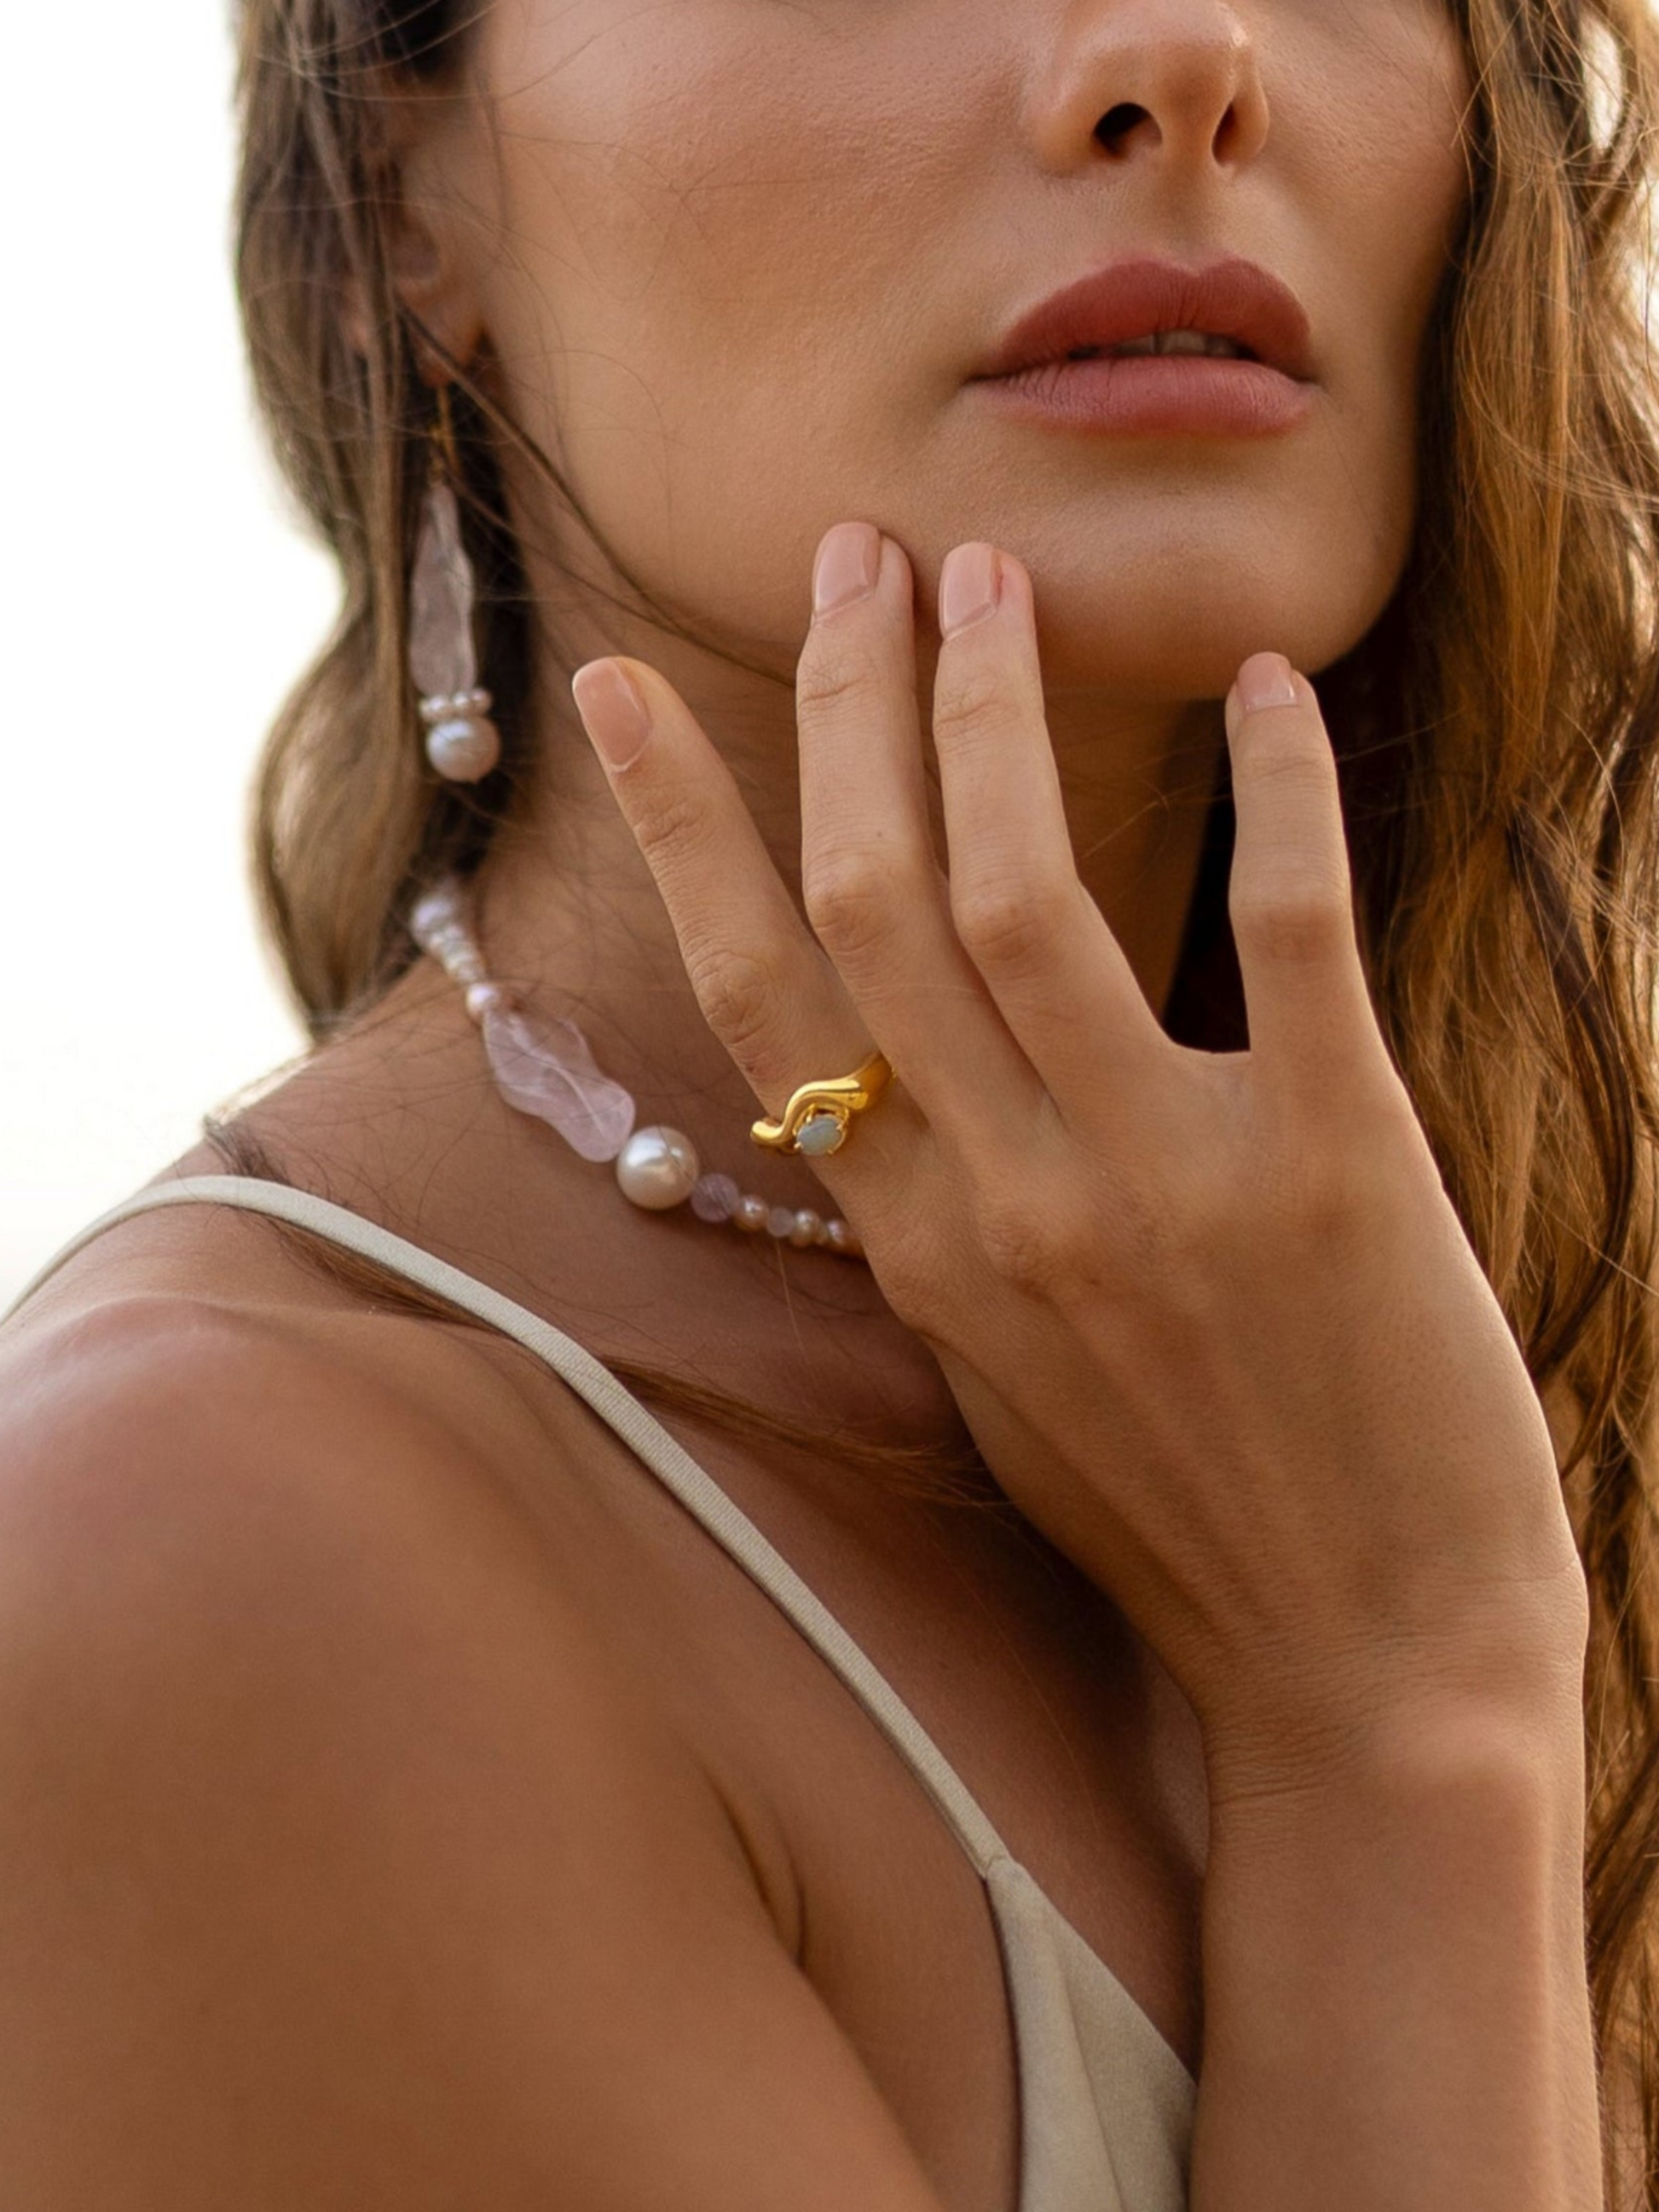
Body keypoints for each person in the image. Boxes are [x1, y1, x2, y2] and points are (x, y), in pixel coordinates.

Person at [0, 0, 1653, 2201]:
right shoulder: (195, 1570)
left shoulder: (1562, 1355)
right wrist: (1406, 1728)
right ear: (406, 197)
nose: (1176, 49)